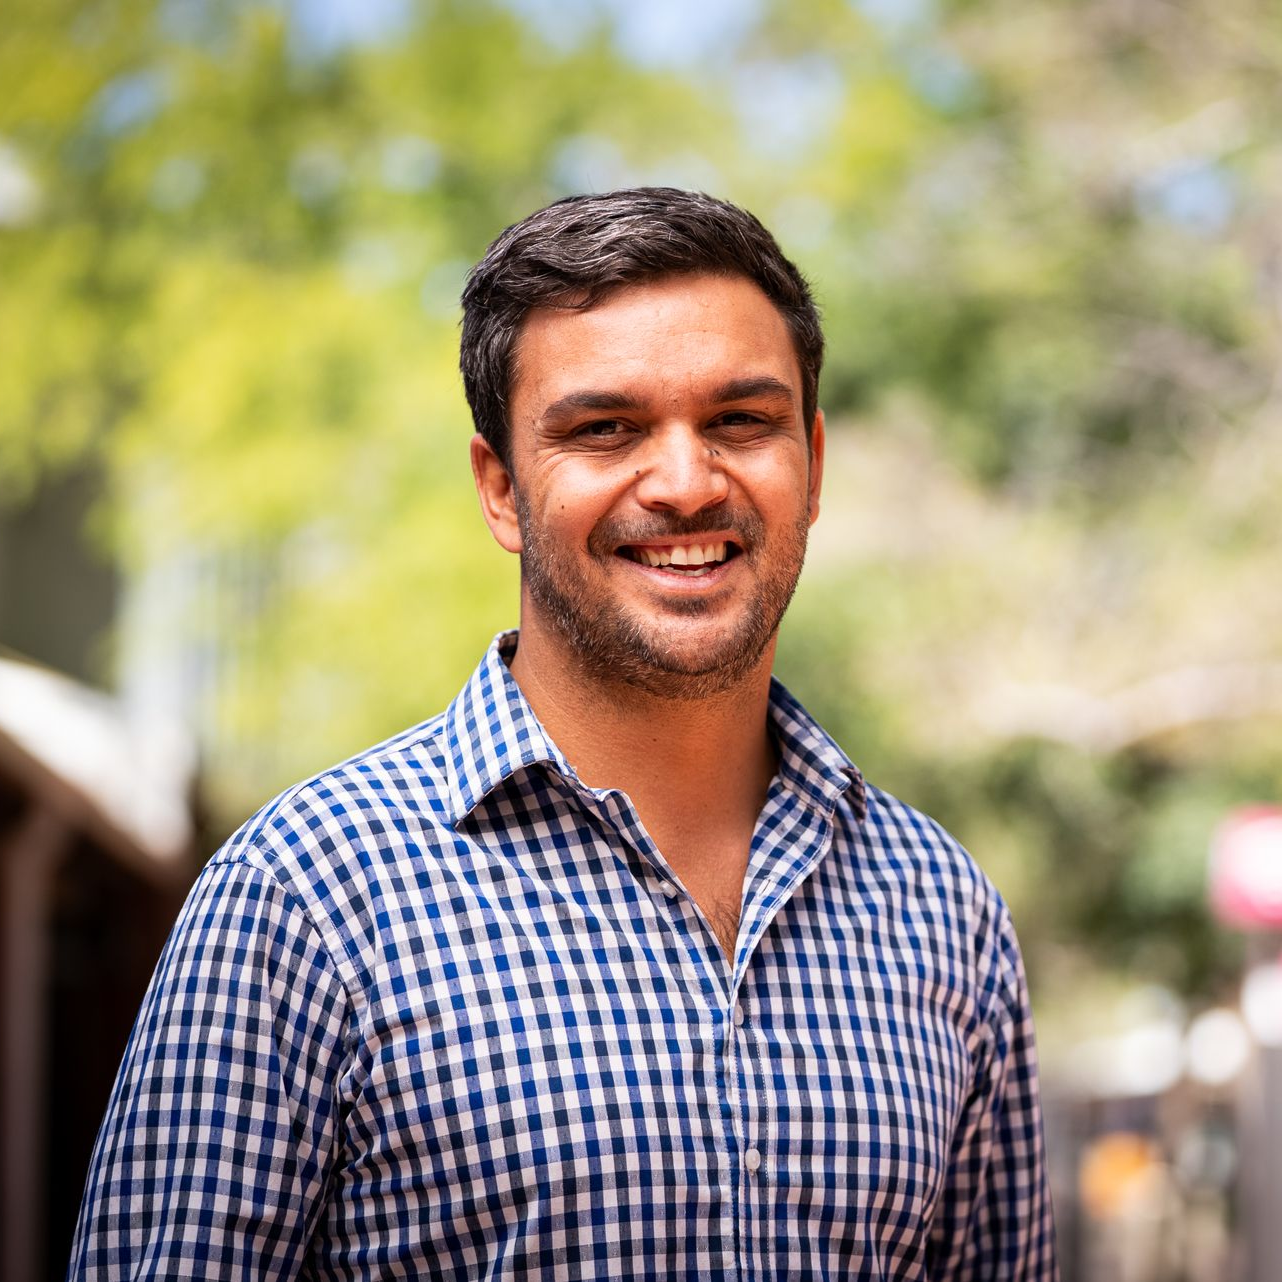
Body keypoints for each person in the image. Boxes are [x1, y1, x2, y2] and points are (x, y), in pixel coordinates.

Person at [69, 187, 1057, 1279]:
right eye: (604, 429)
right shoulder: (306, 896)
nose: (685, 483)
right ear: (501, 489)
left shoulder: (943, 911)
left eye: (740, 421)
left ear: (812, 465)